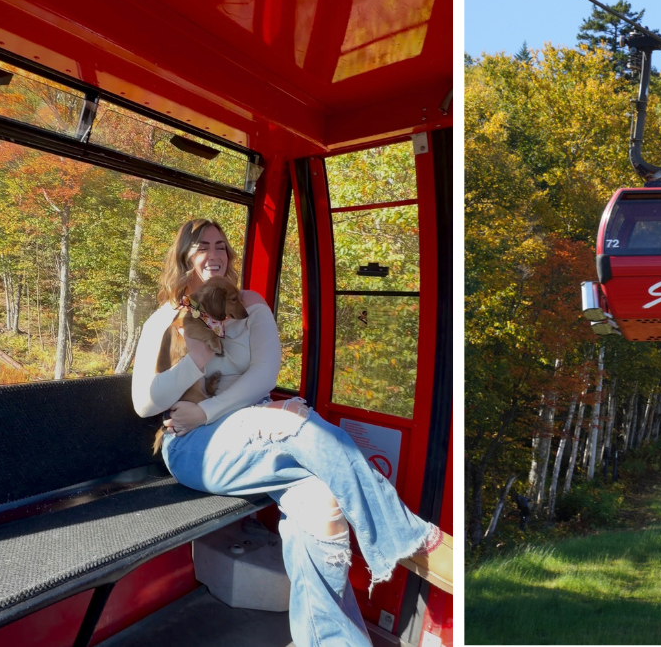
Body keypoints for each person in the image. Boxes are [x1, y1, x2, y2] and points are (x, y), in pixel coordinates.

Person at [132, 219, 451, 645]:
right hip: (194, 446)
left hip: (240, 428)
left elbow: (264, 376)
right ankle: (405, 535)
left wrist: (207, 410)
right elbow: (144, 404)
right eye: (202, 245)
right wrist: (196, 361)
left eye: (222, 246)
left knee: (321, 503)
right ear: (184, 256)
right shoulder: (165, 317)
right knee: (295, 421)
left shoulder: (249, 305)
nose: (215, 253)